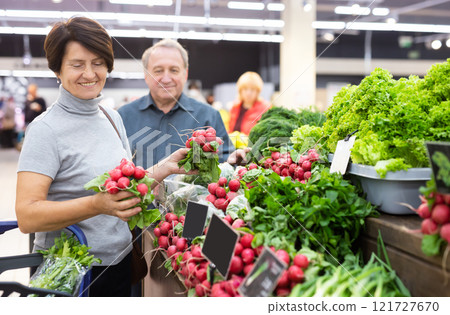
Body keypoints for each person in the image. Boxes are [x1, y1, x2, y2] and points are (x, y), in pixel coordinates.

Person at [15, 17, 192, 297]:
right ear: (57, 69)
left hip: (119, 263)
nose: (89, 73)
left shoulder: (111, 117)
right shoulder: (44, 129)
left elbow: (123, 186)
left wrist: (164, 168)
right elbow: (27, 216)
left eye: (98, 63)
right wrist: (98, 204)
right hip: (70, 271)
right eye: (77, 64)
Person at [118, 38, 235, 170]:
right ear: (146, 75)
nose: (166, 79)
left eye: (174, 70)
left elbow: (227, 163)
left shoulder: (209, 116)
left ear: (185, 74)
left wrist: (236, 160)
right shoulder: (122, 117)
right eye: (158, 71)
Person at [228, 71, 271, 135]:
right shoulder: (235, 107)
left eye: (252, 89)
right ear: (240, 90)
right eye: (245, 89)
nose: (248, 93)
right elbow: (230, 130)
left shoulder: (265, 108)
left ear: (258, 91)